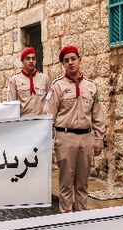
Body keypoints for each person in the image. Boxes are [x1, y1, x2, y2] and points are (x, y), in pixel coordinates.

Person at [43, 45, 106, 213]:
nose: (70, 63)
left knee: (82, 183)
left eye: (73, 59)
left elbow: (97, 114)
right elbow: (48, 115)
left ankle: (82, 218)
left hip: (86, 138)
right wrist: (47, 141)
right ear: (62, 64)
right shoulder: (57, 87)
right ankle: (66, 218)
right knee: (65, 183)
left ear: (80, 60)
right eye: (66, 60)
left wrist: (99, 138)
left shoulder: (91, 87)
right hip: (65, 138)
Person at [8, 47, 50, 116]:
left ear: (36, 61)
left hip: (41, 121)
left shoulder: (45, 79)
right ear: (22, 61)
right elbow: (11, 106)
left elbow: (50, 102)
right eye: (28, 58)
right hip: (24, 123)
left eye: (33, 58)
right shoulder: (14, 80)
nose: (31, 61)